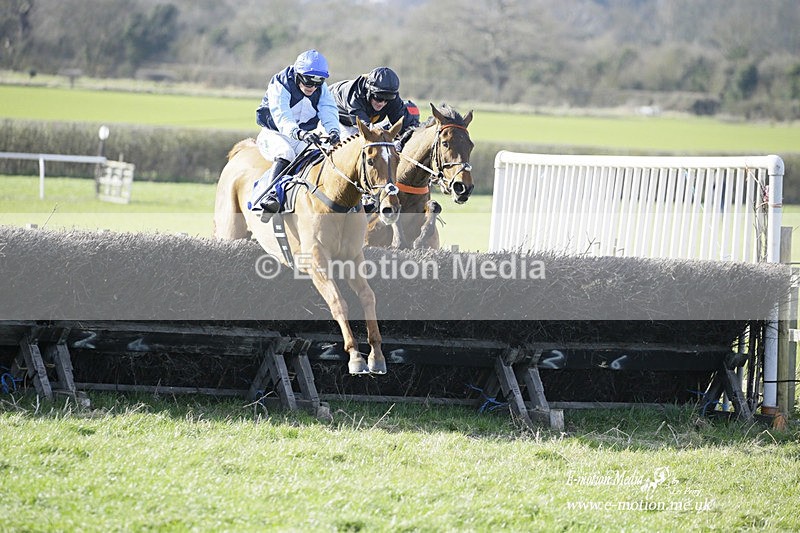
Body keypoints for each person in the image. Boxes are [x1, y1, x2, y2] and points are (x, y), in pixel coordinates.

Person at [249, 49, 341, 220]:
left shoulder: (321, 88)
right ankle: (270, 197)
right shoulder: (281, 83)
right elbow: (282, 116)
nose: (312, 86)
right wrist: (299, 133)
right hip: (274, 133)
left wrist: (334, 131)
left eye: (318, 82)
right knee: (286, 153)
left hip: (300, 135)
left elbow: (328, 109)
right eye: (308, 81)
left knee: (319, 154)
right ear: (298, 74)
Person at [329, 67, 419, 147]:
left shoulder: (392, 98)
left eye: (387, 99)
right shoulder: (355, 97)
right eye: (378, 98)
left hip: (360, 121)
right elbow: (366, 129)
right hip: (333, 117)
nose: (382, 103)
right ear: (369, 91)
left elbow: (402, 124)